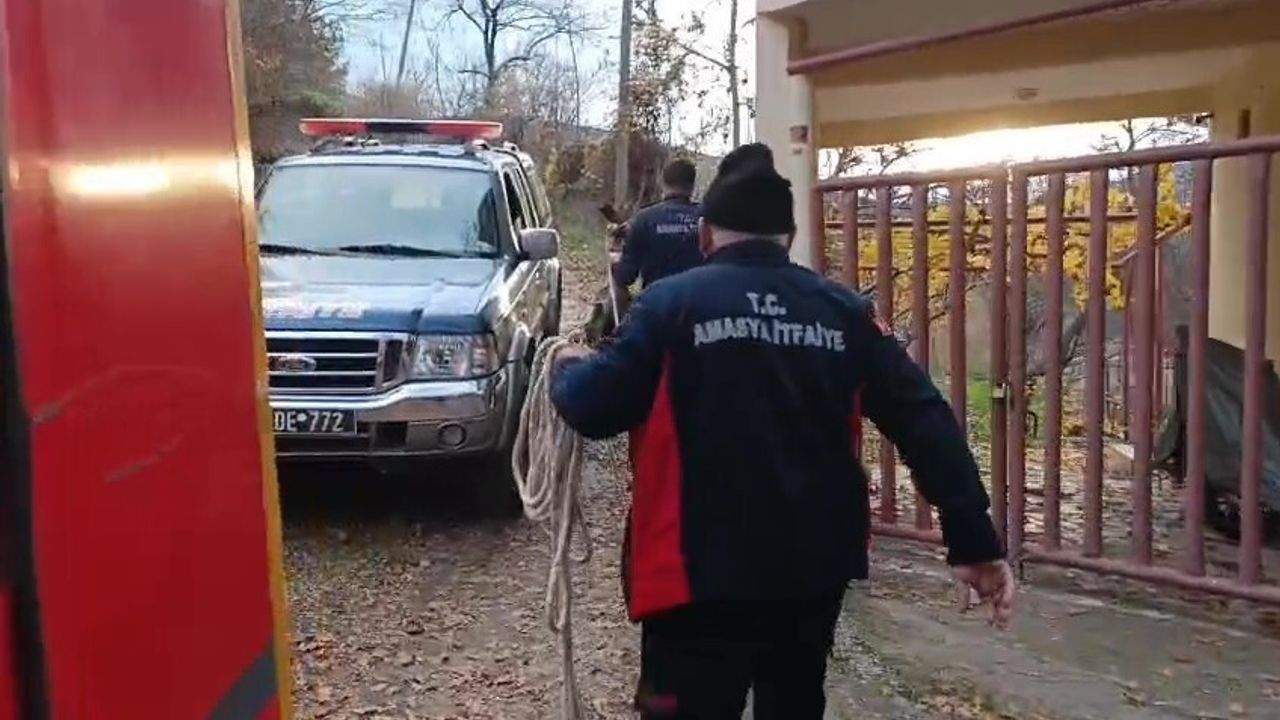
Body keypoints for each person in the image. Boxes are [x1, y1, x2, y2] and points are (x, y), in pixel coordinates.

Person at [550, 143, 1015, 719]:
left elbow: (592, 407)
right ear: (789, 240)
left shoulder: (671, 306)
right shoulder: (845, 313)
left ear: (705, 238)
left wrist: (566, 365)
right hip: (810, 575)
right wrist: (973, 541)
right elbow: (926, 418)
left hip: (694, 581)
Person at [612, 158, 704, 291]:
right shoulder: (710, 218)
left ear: (663, 183)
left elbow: (626, 276)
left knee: (616, 288)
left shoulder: (645, 218)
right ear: (692, 186)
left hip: (656, 304)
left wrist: (615, 260)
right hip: (700, 304)